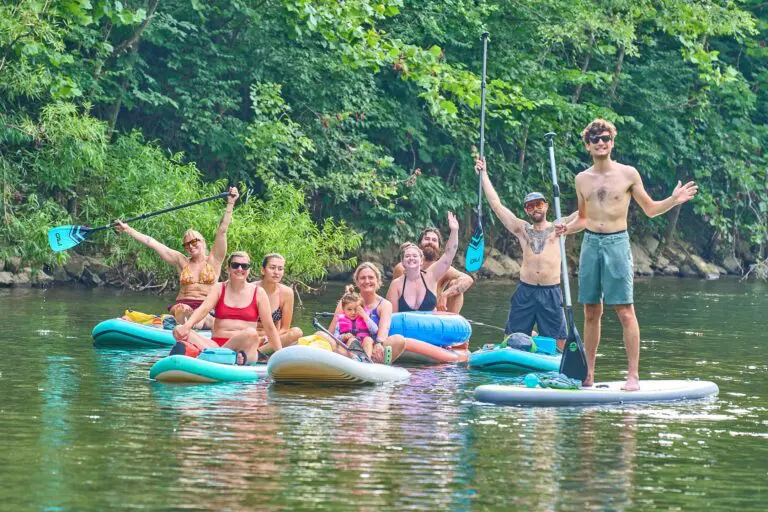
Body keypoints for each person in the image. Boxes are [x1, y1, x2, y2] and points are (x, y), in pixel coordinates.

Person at [556, 119, 698, 390]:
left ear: (612, 142)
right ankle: (589, 374)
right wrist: (566, 227)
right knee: (590, 312)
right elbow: (583, 219)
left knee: (624, 310)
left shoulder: (628, 174)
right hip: (590, 244)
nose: (601, 142)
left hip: (617, 244)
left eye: (605, 138)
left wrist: (673, 200)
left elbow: (650, 209)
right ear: (587, 145)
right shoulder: (581, 179)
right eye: (595, 138)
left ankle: (632, 376)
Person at [475, 157, 579, 350]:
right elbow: (497, 206)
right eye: (530, 206)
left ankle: (544, 348)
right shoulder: (522, 229)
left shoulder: (560, 227)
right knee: (511, 339)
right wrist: (484, 175)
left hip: (551, 292)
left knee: (559, 343)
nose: (535, 209)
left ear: (546, 206)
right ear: (526, 210)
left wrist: (598, 188)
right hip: (525, 291)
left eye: (538, 204)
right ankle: (528, 342)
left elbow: (584, 215)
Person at [116, 187, 239, 329]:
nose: (190, 246)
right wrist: (128, 230)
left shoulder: (214, 259)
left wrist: (230, 204)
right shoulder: (181, 260)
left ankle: (186, 323)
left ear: (203, 242)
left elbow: (222, 230)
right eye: (186, 244)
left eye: (194, 242)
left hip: (206, 307)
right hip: (183, 307)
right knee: (183, 310)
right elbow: (152, 243)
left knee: (204, 319)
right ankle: (183, 322)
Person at [171, 251, 282, 364]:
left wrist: (280, 355)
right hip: (215, 345)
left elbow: (269, 327)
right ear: (228, 268)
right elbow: (203, 309)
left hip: (243, 348)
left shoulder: (259, 293)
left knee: (251, 333)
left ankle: (213, 356)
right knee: (177, 330)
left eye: (244, 266)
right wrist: (186, 326)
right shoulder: (219, 288)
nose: (240, 269)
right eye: (235, 265)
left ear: (249, 270)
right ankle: (224, 356)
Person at [320, 262, 407, 364]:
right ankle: (353, 360)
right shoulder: (345, 301)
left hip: (372, 348)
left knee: (399, 340)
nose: (367, 281)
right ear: (356, 282)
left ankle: (369, 361)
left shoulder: (384, 305)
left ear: (378, 281)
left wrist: (378, 344)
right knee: (321, 335)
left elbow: (384, 330)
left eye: (371, 278)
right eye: (362, 278)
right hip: (346, 348)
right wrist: (340, 338)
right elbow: (331, 331)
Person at [386, 212, 460, 313]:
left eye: (415, 256)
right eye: (407, 256)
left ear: (421, 260)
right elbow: (391, 316)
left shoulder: (432, 276)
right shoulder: (396, 284)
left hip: (431, 326)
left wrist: (454, 231)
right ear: (402, 262)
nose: (411, 258)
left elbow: (449, 254)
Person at [391, 227, 474, 313]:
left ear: (439, 247)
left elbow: (467, 279)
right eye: (427, 239)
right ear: (419, 244)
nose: (430, 242)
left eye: (434, 240)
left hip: (436, 314)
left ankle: (452, 320)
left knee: (456, 285)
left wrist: (445, 294)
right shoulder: (402, 268)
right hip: (407, 312)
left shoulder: (444, 269)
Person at [254, 253, 303, 352]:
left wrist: (266, 339)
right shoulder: (251, 289)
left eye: (280, 269)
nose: (276, 272)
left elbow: (285, 329)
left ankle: (259, 352)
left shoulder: (286, 293)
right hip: (251, 337)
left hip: (272, 339)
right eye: (272, 268)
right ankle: (257, 351)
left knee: (297, 333)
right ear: (263, 270)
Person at [334, 285, 378, 359]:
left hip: (364, 346)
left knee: (368, 339)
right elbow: (335, 337)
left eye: (355, 309)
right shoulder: (340, 322)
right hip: (349, 349)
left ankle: (367, 360)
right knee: (352, 340)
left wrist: (365, 316)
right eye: (349, 309)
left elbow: (375, 330)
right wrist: (344, 337)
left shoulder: (365, 318)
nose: (353, 312)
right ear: (343, 309)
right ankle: (355, 358)